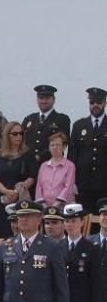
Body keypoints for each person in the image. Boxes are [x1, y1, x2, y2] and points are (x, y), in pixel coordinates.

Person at [0, 122, 37, 238]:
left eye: (21, 134)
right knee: (1, 232)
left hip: (20, 200)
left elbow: (32, 177)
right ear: (7, 135)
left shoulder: (28, 155)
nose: (18, 136)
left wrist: (16, 192)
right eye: (15, 134)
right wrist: (6, 191)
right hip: (1, 200)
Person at [70, 88, 107, 216]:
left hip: (104, 183)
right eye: (92, 102)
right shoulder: (79, 125)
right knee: (84, 220)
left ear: (105, 103)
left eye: (99, 102)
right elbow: (73, 154)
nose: (95, 105)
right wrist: (72, 182)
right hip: (83, 184)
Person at [22, 85, 71, 164]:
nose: (44, 101)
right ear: (37, 99)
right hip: (29, 166)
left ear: (54, 99)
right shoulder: (29, 119)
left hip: (52, 165)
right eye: (41, 98)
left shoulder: (62, 119)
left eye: (47, 98)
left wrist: (39, 157)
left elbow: (62, 143)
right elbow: (21, 141)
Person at [34, 132, 76, 207]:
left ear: (64, 147)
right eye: (52, 145)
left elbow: (68, 187)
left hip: (62, 206)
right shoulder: (43, 166)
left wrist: (55, 205)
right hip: (44, 207)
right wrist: (44, 205)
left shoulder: (70, 166)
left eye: (58, 145)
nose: (54, 147)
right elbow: (39, 187)